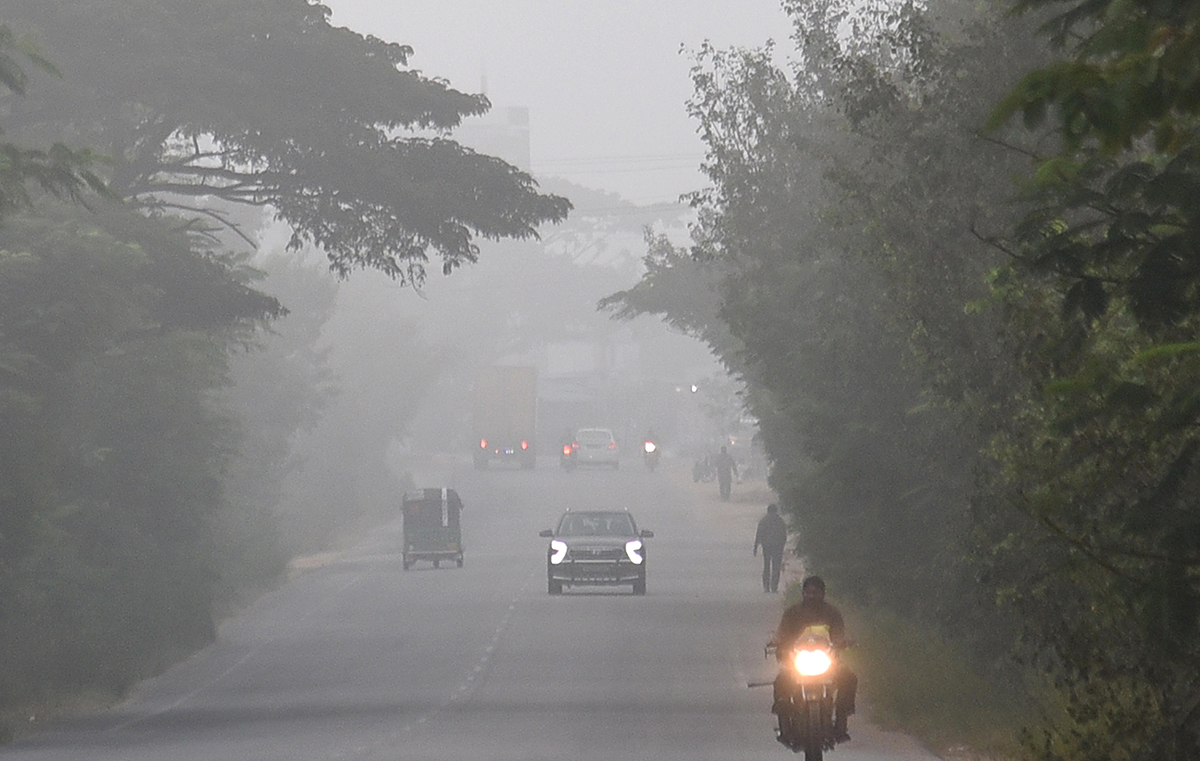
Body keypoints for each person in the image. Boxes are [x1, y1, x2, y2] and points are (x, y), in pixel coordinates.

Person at [771, 575, 858, 743]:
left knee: (849, 678)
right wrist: (777, 642)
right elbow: (782, 634)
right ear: (803, 593)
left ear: (823, 594)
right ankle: (785, 723)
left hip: (827, 660)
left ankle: (841, 720)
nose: (812, 596)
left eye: (815, 592)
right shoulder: (792, 613)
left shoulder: (832, 613)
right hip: (797, 660)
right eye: (808, 592)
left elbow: (839, 635)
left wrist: (842, 642)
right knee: (782, 681)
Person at [753, 504, 787, 593]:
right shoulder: (780, 521)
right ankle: (774, 587)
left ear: (768, 510)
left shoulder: (764, 520)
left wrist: (756, 547)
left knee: (767, 565)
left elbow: (759, 534)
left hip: (767, 546)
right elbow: (784, 535)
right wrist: (782, 545)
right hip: (778, 546)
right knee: (776, 566)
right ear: (776, 511)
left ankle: (766, 587)